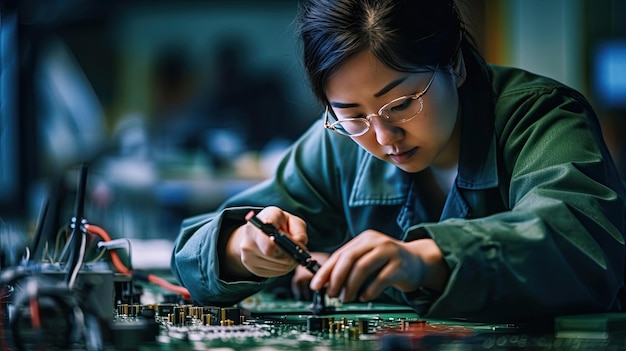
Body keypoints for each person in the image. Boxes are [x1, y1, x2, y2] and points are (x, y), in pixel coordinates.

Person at [171, 0, 626, 323]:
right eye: (351, 115)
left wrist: (424, 260)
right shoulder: (338, 145)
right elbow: (192, 249)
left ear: (456, 64)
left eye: (403, 102)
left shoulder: (542, 117)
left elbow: (578, 248)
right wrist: (240, 249)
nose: (383, 136)